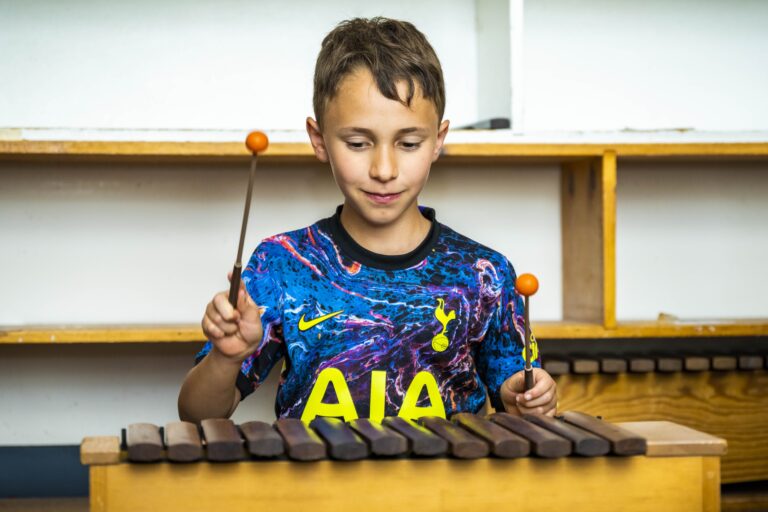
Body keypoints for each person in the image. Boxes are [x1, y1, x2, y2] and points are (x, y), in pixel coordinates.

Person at [178, 17, 557, 424]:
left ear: (438, 142)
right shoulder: (282, 264)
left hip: (445, 488)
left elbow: (520, 400)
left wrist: (528, 399)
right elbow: (197, 415)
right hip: (315, 486)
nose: (384, 168)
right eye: (358, 143)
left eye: (408, 143)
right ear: (319, 139)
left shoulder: (485, 275)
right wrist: (225, 356)